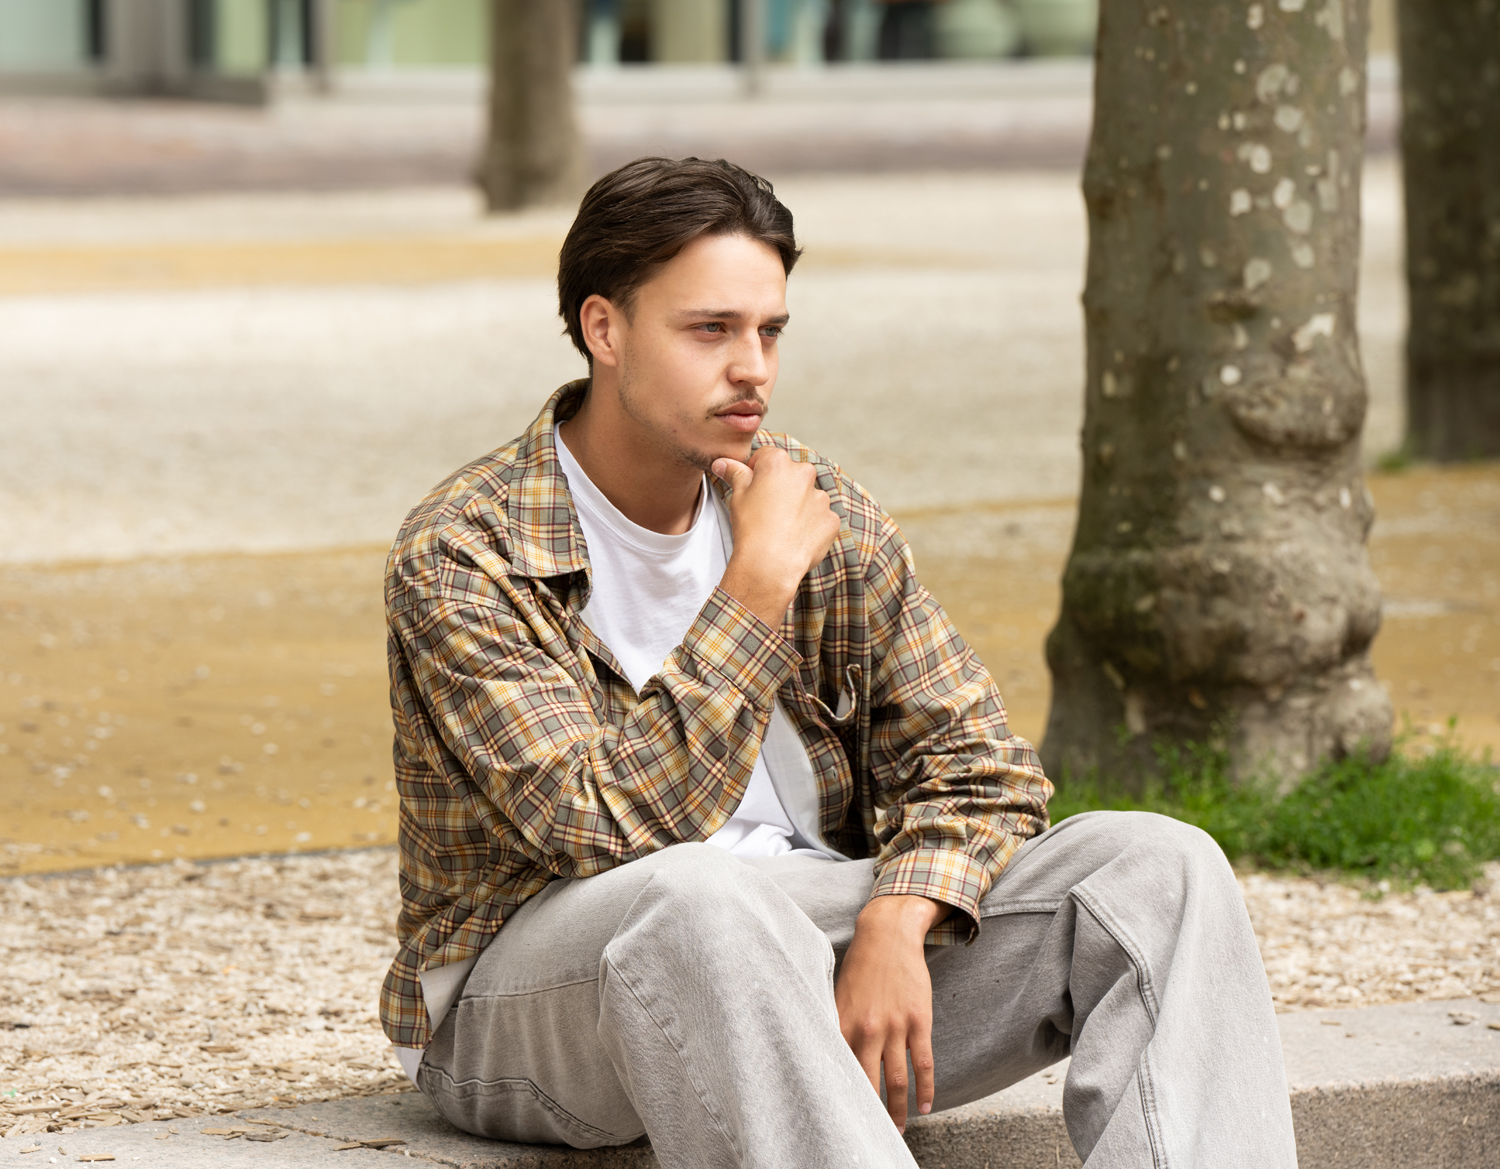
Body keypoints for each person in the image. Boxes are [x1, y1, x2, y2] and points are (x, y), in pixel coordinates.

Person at [379, 156, 1297, 1168]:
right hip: (535, 1000)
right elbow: (599, 828)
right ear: (605, 328)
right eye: (710, 330)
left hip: (810, 953)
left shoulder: (823, 509)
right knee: (699, 896)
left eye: (769, 330)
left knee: (1158, 868)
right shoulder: (470, 551)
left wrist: (897, 921)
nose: (753, 368)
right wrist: (752, 591)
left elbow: (983, 768)